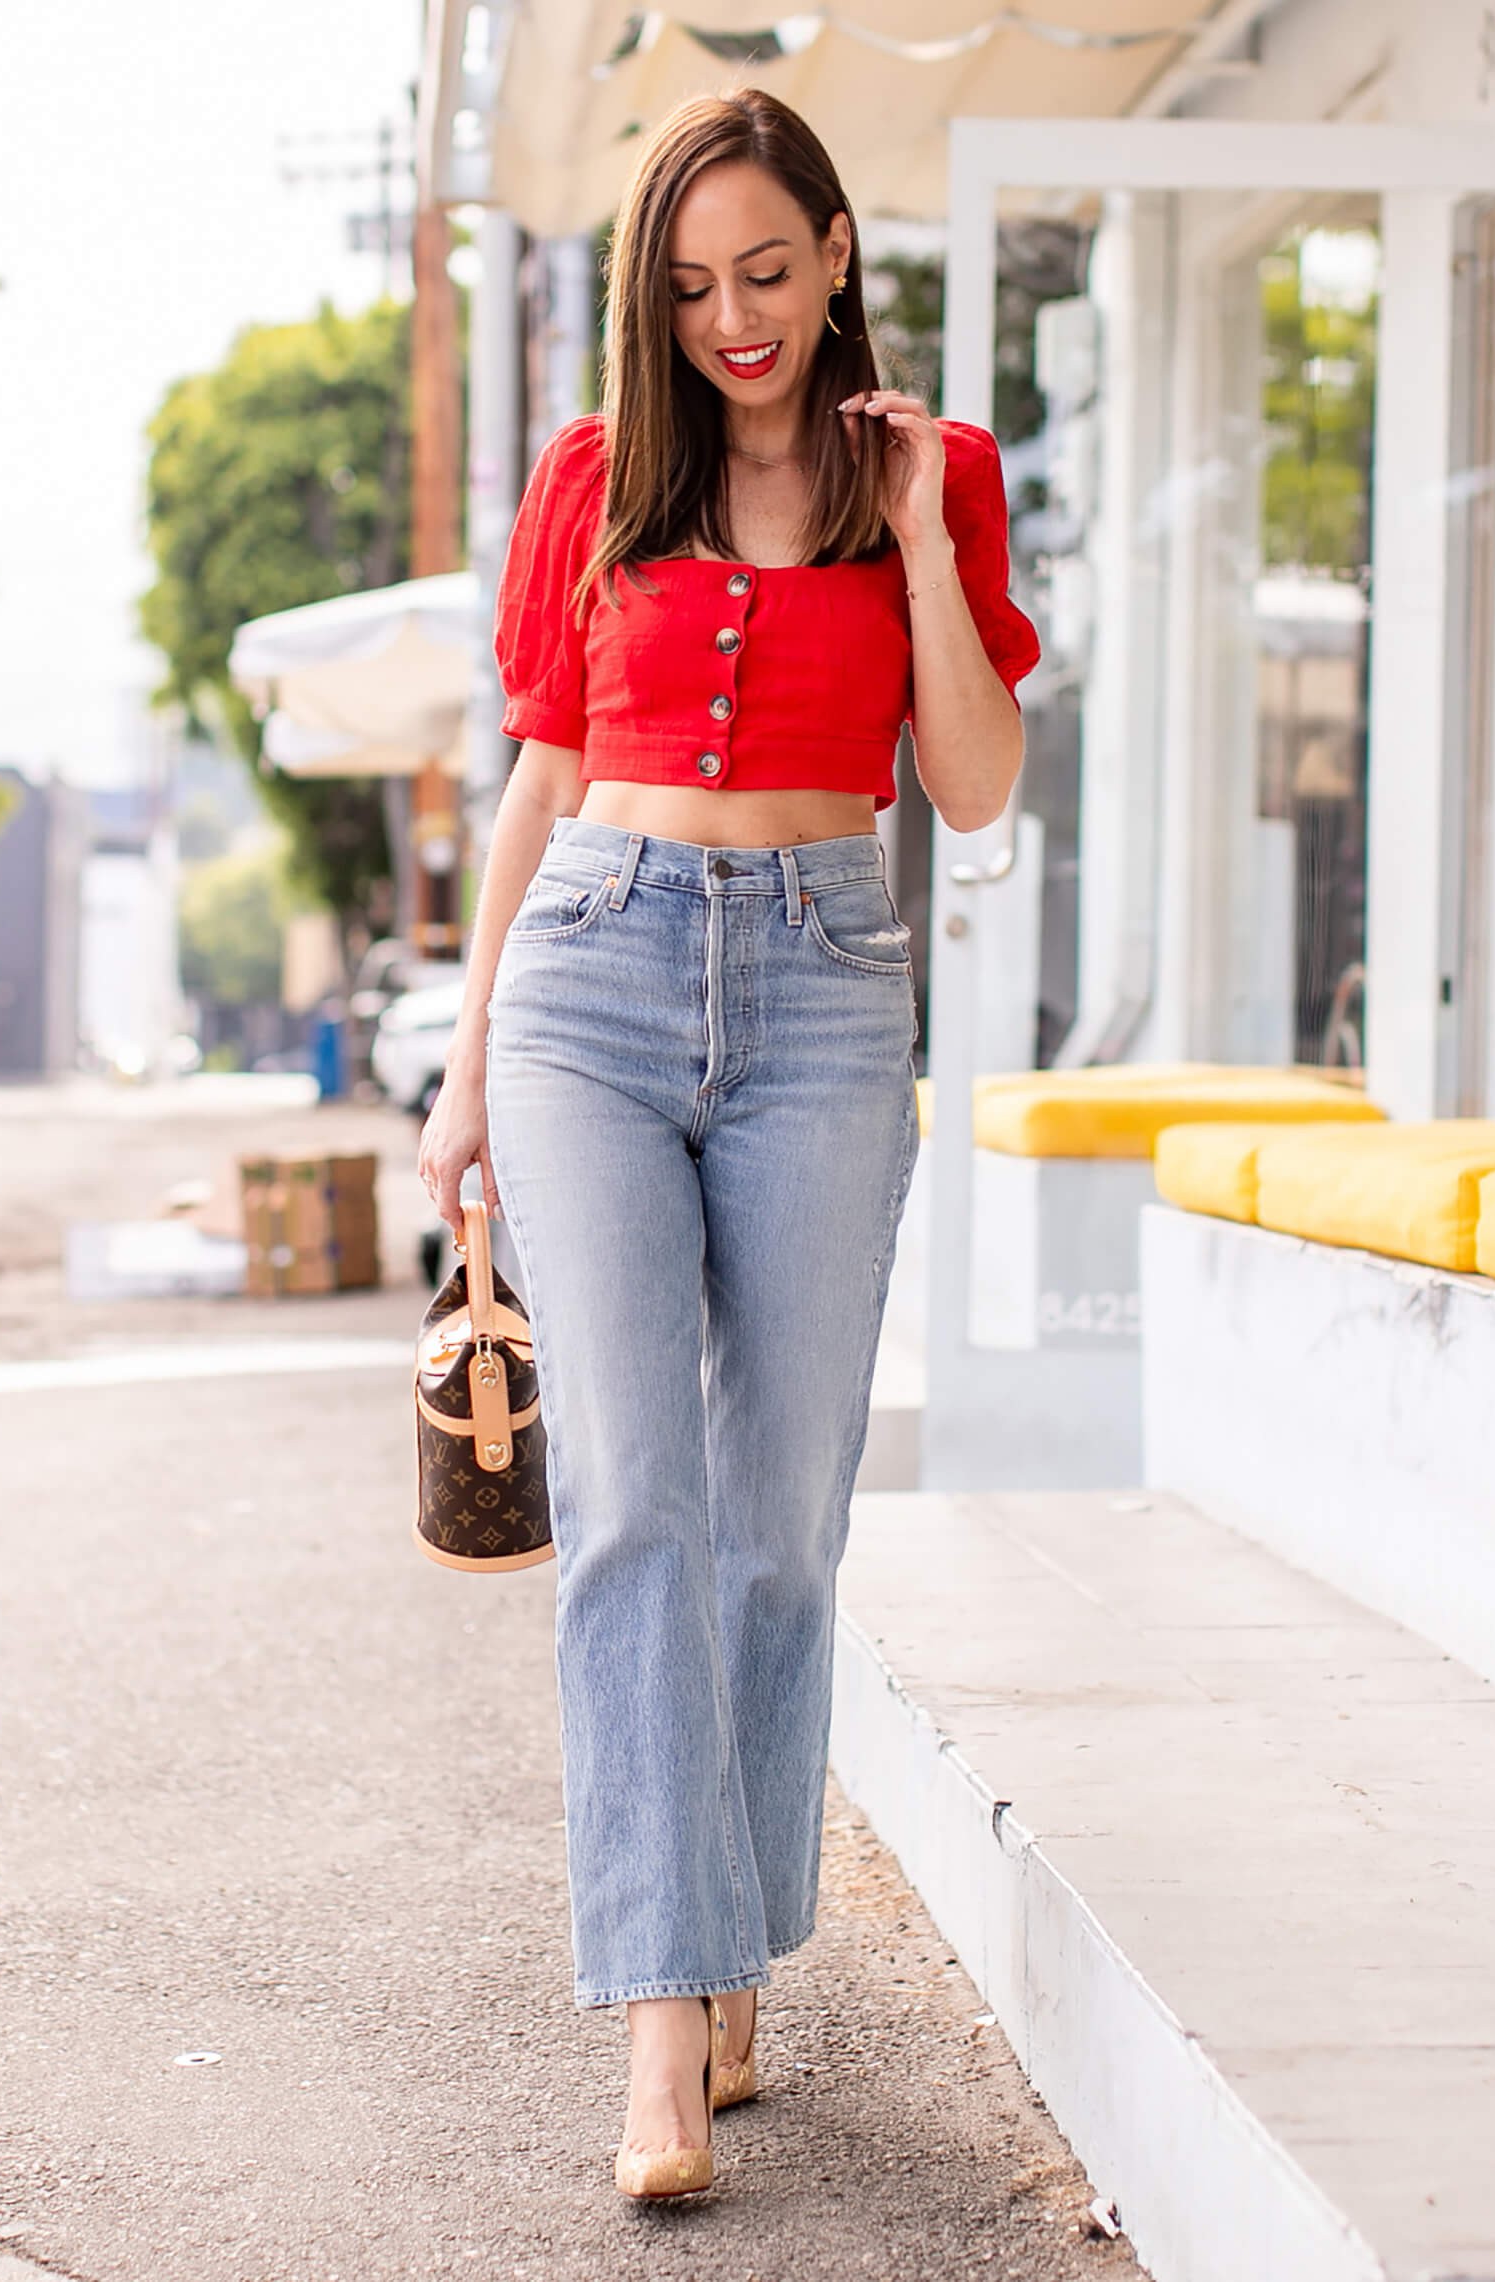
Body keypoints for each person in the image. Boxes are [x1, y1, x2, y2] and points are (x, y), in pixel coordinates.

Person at [417, 86, 1039, 2200]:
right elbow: (542, 764)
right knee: (632, 1504)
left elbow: (965, 789)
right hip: (595, 970)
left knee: (781, 1519)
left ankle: (732, 1935)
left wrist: (930, 547)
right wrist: (471, 1049)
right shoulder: (599, 474)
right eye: (690, 289)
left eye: (768, 272)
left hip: (826, 991)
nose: (736, 320)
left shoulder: (933, 476)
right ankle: (663, 2032)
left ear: (842, 256)